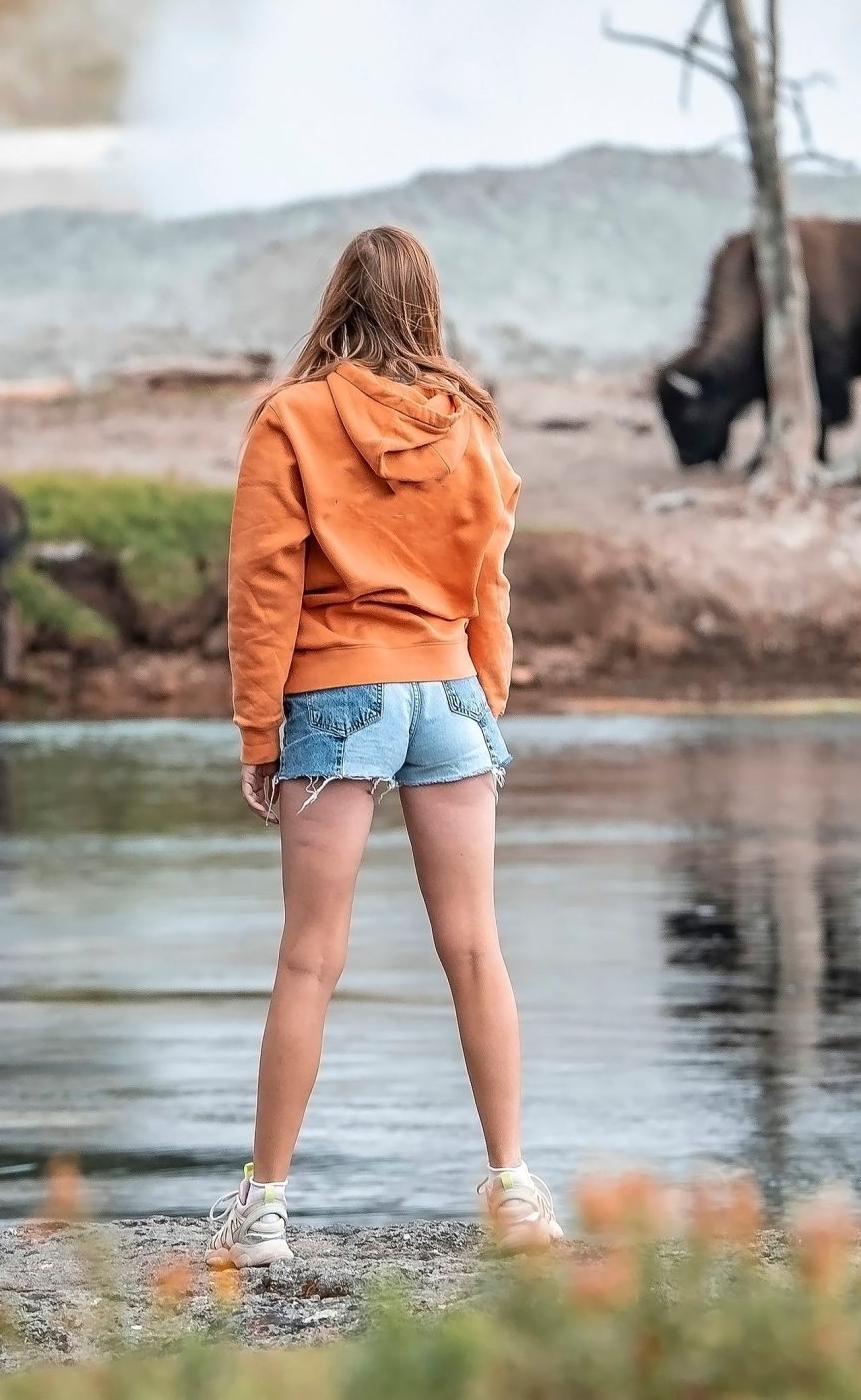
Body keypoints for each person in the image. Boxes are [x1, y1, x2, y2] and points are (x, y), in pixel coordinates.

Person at [205, 225, 560, 1269]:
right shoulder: (471, 423)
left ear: (335, 300)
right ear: (426, 306)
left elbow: (265, 584)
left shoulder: (291, 418)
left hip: (333, 691)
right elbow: (489, 578)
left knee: (310, 957)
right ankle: (515, 1192)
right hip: (447, 691)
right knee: (474, 948)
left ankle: (262, 1209)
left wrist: (257, 729)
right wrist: (478, 699)